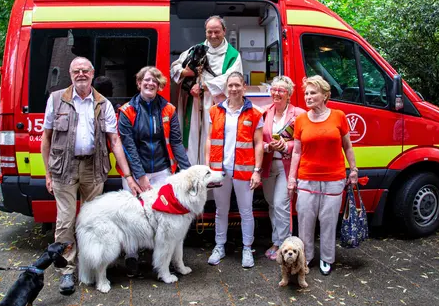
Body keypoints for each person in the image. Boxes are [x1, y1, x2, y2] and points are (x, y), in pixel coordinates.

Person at [41, 57, 137, 295]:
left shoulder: (103, 104)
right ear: (70, 73)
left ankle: (90, 266)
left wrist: (128, 175)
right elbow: (46, 138)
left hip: (94, 169)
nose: (81, 74)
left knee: (93, 221)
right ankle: (66, 271)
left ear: (93, 74)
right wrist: (47, 173)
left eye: (85, 70)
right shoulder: (56, 99)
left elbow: (114, 141)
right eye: (76, 70)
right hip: (63, 168)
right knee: (65, 220)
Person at [118, 66, 191, 276]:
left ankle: (165, 256)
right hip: (136, 173)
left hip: (162, 170)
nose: (150, 84)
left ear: (159, 86)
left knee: (165, 215)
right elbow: (128, 146)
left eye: (155, 82)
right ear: (139, 83)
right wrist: (140, 177)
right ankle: (131, 255)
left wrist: (187, 172)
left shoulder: (168, 109)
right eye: (146, 80)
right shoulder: (127, 111)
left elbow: (176, 142)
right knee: (132, 215)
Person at [287, 75, 358, 276]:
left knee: (328, 221)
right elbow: (297, 152)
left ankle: (327, 258)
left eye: (313, 93)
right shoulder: (300, 120)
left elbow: (348, 146)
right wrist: (292, 179)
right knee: (305, 221)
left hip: (333, 179)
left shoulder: (339, 116)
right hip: (306, 179)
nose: (308, 97)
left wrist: (353, 170)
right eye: (306, 93)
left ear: (325, 95)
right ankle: (306, 257)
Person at [205, 72, 263, 268]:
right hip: (219, 169)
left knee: (246, 211)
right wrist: (207, 166)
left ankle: (247, 248)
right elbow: (209, 139)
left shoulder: (255, 112)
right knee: (221, 211)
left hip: (244, 171)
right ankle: (219, 246)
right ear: (226, 88)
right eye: (230, 85)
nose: (234, 89)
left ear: (244, 87)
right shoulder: (215, 111)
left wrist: (257, 170)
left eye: (237, 85)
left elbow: (259, 143)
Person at [171, 15, 243, 165]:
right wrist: (186, 73)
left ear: (224, 31)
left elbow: (232, 79)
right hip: (194, 101)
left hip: (217, 103)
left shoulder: (233, 55)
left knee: (211, 137)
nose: (213, 36)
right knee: (192, 138)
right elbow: (174, 67)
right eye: (209, 32)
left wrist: (204, 86)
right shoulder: (196, 49)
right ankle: (191, 172)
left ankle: (210, 173)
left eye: (216, 32)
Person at [261, 76, 305, 260]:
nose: (276, 93)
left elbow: (303, 142)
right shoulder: (264, 113)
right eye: (274, 89)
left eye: (281, 90)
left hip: (287, 166)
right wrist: (267, 146)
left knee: (281, 205)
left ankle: (284, 244)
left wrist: (286, 146)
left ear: (289, 94)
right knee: (272, 204)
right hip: (268, 165)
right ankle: (277, 240)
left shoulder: (299, 114)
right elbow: (258, 140)